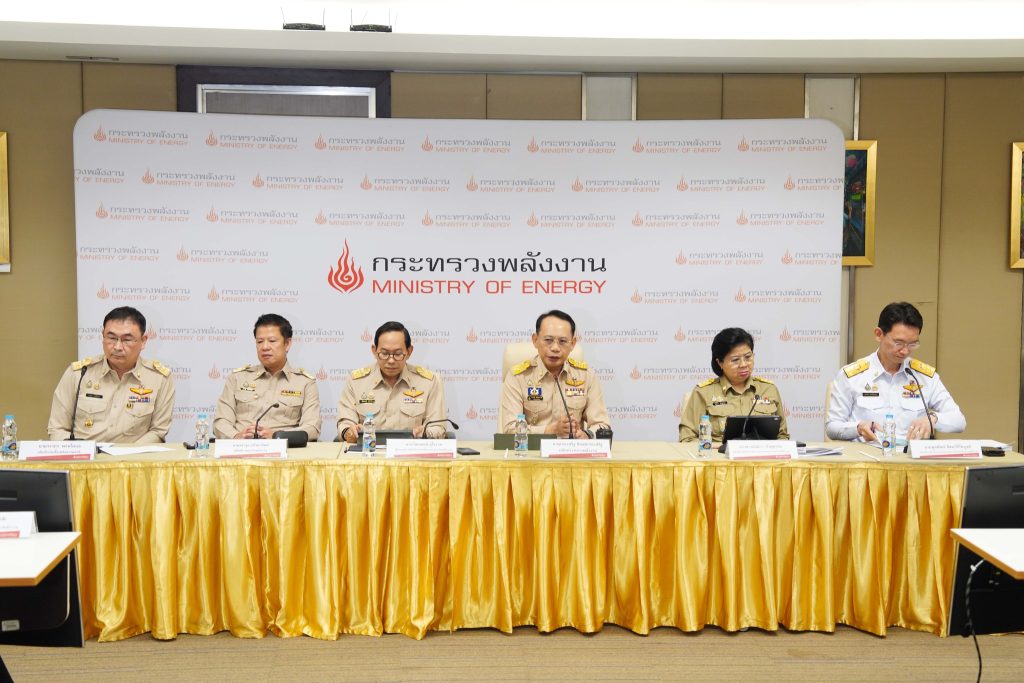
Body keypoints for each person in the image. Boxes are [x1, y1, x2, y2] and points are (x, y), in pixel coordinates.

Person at [826, 301, 965, 442]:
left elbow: (959, 420)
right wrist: (858, 428)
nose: (905, 351)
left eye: (912, 344)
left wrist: (933, 419)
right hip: (867, 453)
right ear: (879, 334)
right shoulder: (852, 376)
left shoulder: (924, 377)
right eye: (898, 343)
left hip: (910, 454)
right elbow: (832, 427)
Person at [47, 306, 175, 443]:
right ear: (103, 335)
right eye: (112, 338)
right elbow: (57, 428)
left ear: (143, 341)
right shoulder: (79, 374)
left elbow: (158, 431)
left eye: (127, 340)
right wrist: (80, 451)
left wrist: (128, 454)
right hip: (84, 455)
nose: (117, 347)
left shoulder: (159, 379)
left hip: (133, 456)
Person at [499, 309, 610, 437]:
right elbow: (510, 429)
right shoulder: (518, 377)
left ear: (573, 344)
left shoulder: (586, 376)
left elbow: (602, 424)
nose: (555, 348)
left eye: (562, 341)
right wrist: (549, 430)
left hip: (572, 449)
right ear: (535, 340)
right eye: (548, 340)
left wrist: (587, 435)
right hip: (533, 449)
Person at [213, 313, 321, 440]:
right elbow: (221, 422)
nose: (264, 347)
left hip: (285, 450)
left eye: (272, 341)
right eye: (260, 341)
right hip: (242, 449)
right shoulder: (237, 378)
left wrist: (277, 437)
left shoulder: (305, 382)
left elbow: (312, 427)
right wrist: (237, 436)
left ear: (287, 344)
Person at [337, 321, 448, 442]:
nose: (391, 360)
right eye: (384, 353)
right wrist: (349, 432)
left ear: (409, 351)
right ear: (374, 351)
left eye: (398, 354)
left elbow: (438, 426)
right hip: (368, 450)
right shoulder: (356, 382)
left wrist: (426, 433)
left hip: (411, 451)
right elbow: (345, 423)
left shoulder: (429, 382)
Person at [679, 327, 789, 442]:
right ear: (720, 362)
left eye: (748, 357)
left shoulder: (769, 389)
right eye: (735, 360)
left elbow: (782, 436)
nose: (743, 364)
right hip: (719, 453)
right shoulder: (703, 393)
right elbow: (687, 439)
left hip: (762, 453)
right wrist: (721, 447)